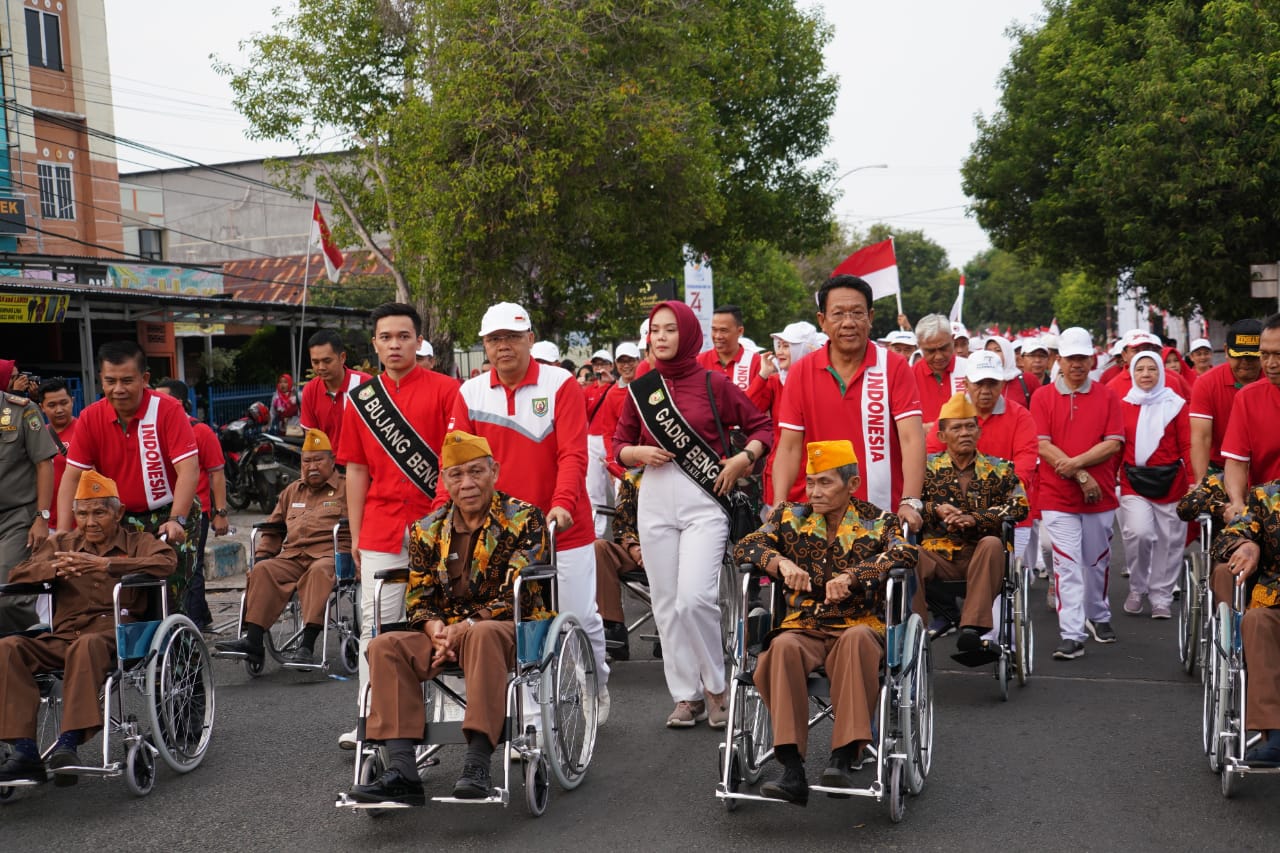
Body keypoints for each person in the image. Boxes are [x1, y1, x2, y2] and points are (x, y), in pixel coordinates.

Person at [343, 431, 550, 805]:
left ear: (495, 471)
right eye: (456, 475)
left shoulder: (525, 518)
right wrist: (434, 629)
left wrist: (465, 628)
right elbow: (419, 597)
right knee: (385, 645)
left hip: (506, 627)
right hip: (446, 633)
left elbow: (519, 591)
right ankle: (403, 769)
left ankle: (477, 762)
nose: (467, 484)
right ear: (444, 480)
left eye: (476, 472)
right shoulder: (427, 529)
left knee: (483, 634)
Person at [451, 301, 614, 722]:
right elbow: (455, 465)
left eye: (511, 337)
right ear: (485, 346)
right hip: (501, 533)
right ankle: (532, 715)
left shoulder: (560, 384)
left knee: (580, 616)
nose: (502, 346)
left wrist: (561, 504)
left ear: (529, 339)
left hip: (563, 527)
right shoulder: (470, 392)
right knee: (525, 625)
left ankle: (594, 685)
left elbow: (573, 454)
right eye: (494, 339)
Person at [614, 300, 771, 728]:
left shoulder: (713, 383)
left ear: (687, 333)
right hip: (655, 496)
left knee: (695, 599)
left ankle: (716, 686)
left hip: (706, 497)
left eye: (669, 329)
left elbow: (761, 427)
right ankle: (686, 695)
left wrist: (744, 458)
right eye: (654, 330)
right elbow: (617, 446)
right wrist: (636, 452)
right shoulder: (640, 389)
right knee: (665, 603)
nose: (660, 337)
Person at [734, 439, 918, 804]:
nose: (814, 492)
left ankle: (842, 758)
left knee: (856, 642)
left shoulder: (878, 522)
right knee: (780, 648)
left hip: (858, 622)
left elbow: (905, 552)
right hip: (804, 625)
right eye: (811, 481)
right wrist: (781, 564)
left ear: (852, 485)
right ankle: (791, 769)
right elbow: (747, 546)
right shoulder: (791, 516)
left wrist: (853, 577)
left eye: (825, 483)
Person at [336, 302, 459, 748]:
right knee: (378, 628)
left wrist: (439, 520)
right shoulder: (361, 400)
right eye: (386, 337)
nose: (394, 344)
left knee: (447, 619)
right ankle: (374, 717)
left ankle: (456, 714)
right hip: (381, 529)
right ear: (374, 344)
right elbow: (355, 470)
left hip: (439, 527)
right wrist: (355, 531)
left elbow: (455, 463)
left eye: (403, 336)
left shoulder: (448, 390)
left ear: (418, 340)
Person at [0, 471, 175, 785]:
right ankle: (24, 751)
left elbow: (166, 563)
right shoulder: (63, 542)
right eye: (81, 513)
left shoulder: (137, 542)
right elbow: (17, 574)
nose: (89, 522)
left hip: (115, 635)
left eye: (99, 513)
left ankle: (67, 744)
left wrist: (107, 565)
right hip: (64, 634)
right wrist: (52, 568)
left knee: (87, 645)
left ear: (118, 513)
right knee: (8, 647)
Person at [771, 275, 925, 531]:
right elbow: (788, 447)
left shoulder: (894, 367)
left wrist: (910, 500)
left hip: (883, 514)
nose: (849, 323)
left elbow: (912, 438)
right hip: (820, 515)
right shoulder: (801, 372)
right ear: (822, 321)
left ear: (871, 317)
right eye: (838, 314)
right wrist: (779, 503)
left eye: (857, 313)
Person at [57, 341, 200, 618]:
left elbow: (189, 469)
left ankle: (179, 652)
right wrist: (64, 531)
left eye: (127, 380)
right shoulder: (90, 417)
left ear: (144, 379)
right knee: (122, 595)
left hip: (169, 515)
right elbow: (72, 477)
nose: (118, 389)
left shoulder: (168, 409)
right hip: (120, 519)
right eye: (110, 381)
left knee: (167, 595)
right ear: (101, 379)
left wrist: (177, 519)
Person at [217, 429, 347, 665]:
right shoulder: (292, 491)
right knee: (263, 570)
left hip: (328, 556)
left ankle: (306, 646)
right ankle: (253, 642)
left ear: (332, 460)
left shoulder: (346, 489)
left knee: (319, 572)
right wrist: (262, 556)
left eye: (318, 460)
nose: (312, 466)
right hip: (293, 557)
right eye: (307, 461)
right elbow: (273, 528)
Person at [1032, 327, 1124, 660]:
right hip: (1058, 496)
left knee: (1096, 562)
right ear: (1059, 360)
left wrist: (1076, 465)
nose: (1077, 365)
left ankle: (1099, 615)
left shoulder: (1108, 395)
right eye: (1071, 358)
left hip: (1098, 497)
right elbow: (1042, 444)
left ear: (1092, 359)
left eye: (1083, 358)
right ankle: (1071, 633)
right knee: (1067, 564)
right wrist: (1081, 473)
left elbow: (1113, 442)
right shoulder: (1043, 396)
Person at [919, 393, 1029, 660]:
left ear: (979, 431)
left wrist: (976, 519)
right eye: (956, 428)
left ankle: (972, 629)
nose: (964, 433)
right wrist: (937, 510)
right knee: (908, 556)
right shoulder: (925, 469)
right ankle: (916, 629)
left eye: (970, 426)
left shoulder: (1000, 469)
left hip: (980, 556)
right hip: (937, 555)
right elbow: (909, 504)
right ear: (942, 436)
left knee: (993, 543)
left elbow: (1020, 506)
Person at [1209, 480, 1280, 764]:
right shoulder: (1268, 496)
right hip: (1275, 601)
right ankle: (1275, 733)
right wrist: (1248, 544)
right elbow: (1227, 537)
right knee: (1256, 621)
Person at [1116, 351, 1190, 619]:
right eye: (1140, 369)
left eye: (1152, 369)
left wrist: (1194, 482)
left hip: (1172, 482)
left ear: (1161, 373)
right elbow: (1115, 445)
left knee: (1170, 542)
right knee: (1139, 533)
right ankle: (1137, 588)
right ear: (1132, 374)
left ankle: (1161, 597)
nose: (1146, 374)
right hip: (1133, 481)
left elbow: (1188, 445)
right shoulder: (1123, 404)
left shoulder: (1176, 404)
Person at [155, 379, 229, 634]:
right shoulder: (155, 429)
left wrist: (221, 512)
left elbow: (217, 473)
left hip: (196, 511)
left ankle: (193, 622)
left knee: (191, 566)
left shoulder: (201, 431)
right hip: (163, 509)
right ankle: (200, 613)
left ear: (178, 402)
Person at [0, 360, 57, 633]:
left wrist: (41, 517)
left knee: (8, 596)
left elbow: (44, 464)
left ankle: (33, 652)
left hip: (16, 516)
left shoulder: (22, 411)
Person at [746, 321, 819, 506]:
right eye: (779, 345)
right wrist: (762, 374)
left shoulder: (822, 382)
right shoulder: (774, 382)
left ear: (803, 349)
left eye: (787, 346)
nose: (779, 352)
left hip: (816, 475)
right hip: (780, 473)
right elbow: (748, 412)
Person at [1190, 320, 1262, 485]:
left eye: (1252, 357)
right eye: (1239, 356)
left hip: (1266, 467)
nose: (1245, 362)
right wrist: (1201, 483)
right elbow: (1201, 437)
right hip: (1221, 467)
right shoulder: (1207, 383)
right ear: (1226, 351)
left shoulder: (1274, 381)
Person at [593, 468, 642, 661]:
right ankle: (613, 626)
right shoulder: (634, 477)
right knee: (599, 548)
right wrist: (634, 547)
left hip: (675, 552)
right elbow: (621, 523)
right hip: (636, 549)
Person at [299, 329, 371, 456]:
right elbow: (312, 437)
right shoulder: (310, 390)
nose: (321, 367)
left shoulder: (365, 384)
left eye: (327, 361)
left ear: (342, 357)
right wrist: (322, 450)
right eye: (315, 362)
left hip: (364, 467)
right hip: (330, 469)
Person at [913, 314, 969, 431]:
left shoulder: (970, 369)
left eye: (944, 348)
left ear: (952, 340)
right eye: (930, 351)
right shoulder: (908, 377)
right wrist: (920, 429)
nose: (938, 356)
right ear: (919, 346)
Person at [585, 349, 617, 537]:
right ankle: (597, 534)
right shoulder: (588, 390)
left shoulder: (616, 386)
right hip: (593, 440)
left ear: (611, 366)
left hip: (613, 439)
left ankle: (627, 528)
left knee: (619, 487)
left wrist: (611, 381)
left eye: (603, 364)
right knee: (594, 487)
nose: (600, 368)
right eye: (597, 364)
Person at [36, 378, 76, 532]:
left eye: (64, 403)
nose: (59, 409)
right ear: (42, 407)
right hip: (46, 524)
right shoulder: (38, 436)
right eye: (52, 405)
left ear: (72, 401)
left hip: (81, 524)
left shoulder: (85, 431)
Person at [696, 304, 761, 391]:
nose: (718, 336)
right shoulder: (699, 362)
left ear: (740, 331)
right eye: (714, 330)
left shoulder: (755, 362)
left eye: (723, 330)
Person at [984, 335, 1040, 411]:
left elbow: (1040, 409)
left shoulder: (1027, 380)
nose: (992, 355)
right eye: (988, 351)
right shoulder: (979, 381)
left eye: (997, 350)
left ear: (1008, 353)